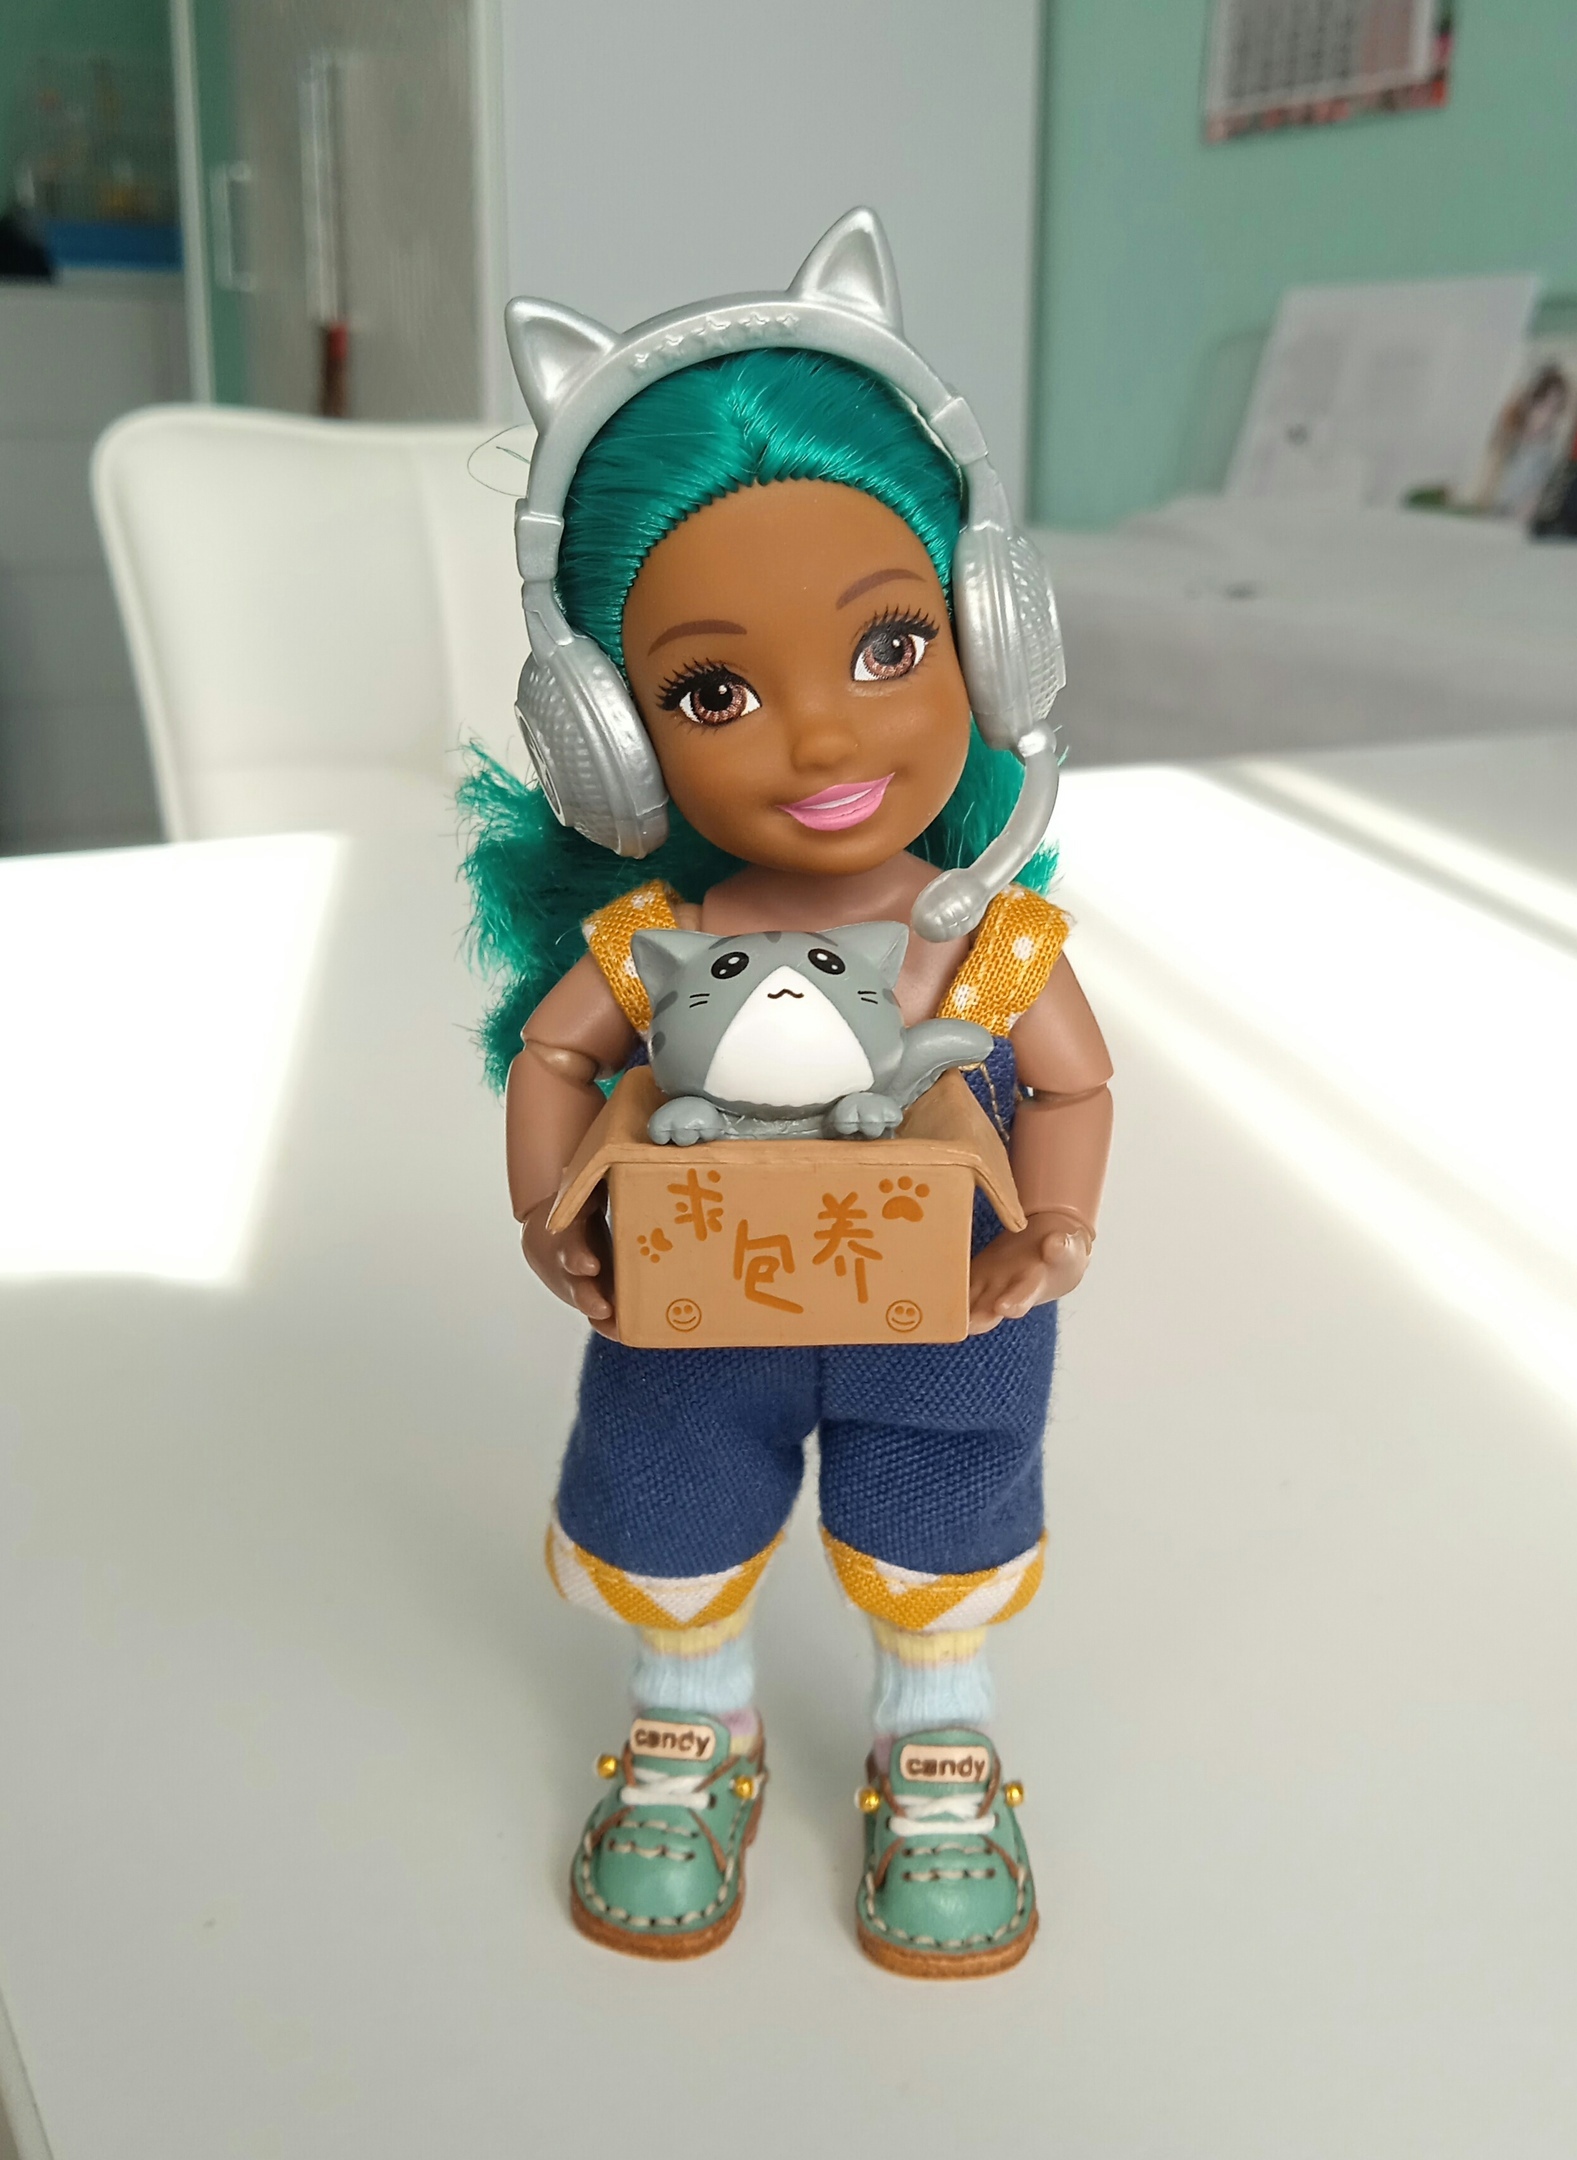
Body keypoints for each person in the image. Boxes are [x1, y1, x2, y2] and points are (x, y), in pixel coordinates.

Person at [460, 211, 1112, 1977]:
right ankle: (694, 1713)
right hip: (695, 1313)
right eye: (715, 690)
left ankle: (937, 1730)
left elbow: (1071, 1088)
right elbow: (559, 1056)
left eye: (890, 647)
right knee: (669, 1495)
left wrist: (1055, 1226)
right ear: (610, 735)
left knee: (944, 1510)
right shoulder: (656, 939)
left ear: (991, 639)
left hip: (949, 1303)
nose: (821, 739)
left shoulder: (983, 941)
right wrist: (546, 1211)